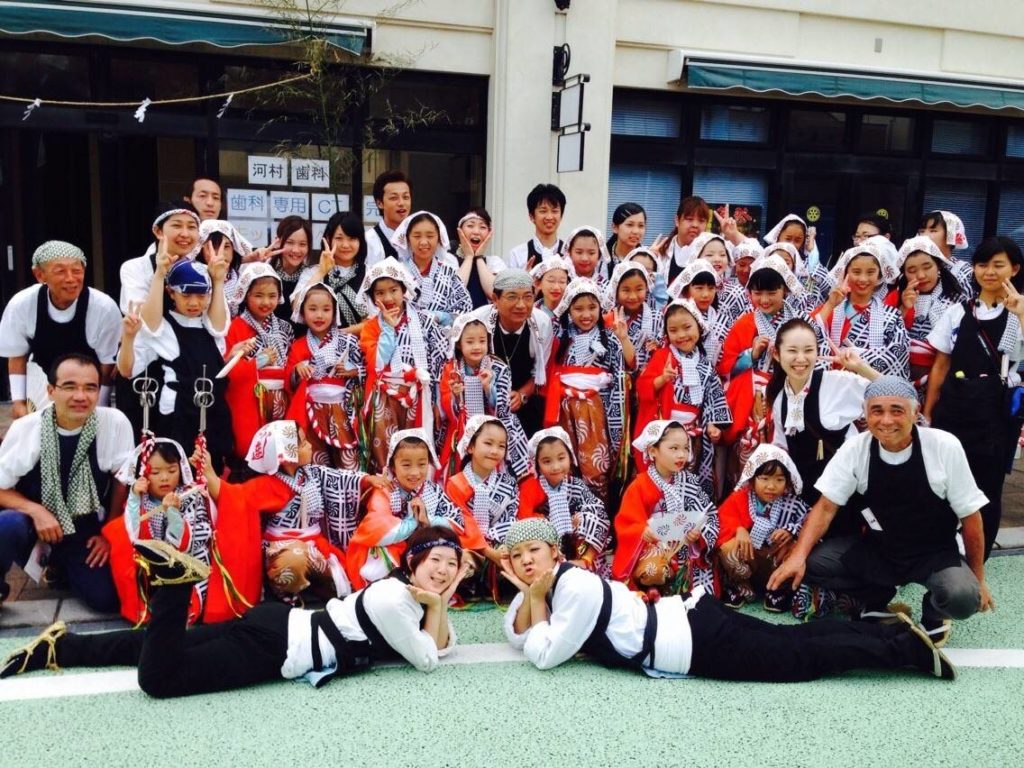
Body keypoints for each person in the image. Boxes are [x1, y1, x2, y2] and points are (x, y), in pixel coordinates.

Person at [1, 525, 470, 695]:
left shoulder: (405, 595)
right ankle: (174, 588)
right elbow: (428, 658)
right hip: (277, 646)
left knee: (156, 645)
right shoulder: (394, 600)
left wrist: (438, 600)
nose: (444, 571)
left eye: (452, 565)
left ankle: (60, 647)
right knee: (160, 679)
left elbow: (441, 641)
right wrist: (441, 600)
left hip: (278, 624)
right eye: (436, 562)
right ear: (413, 562)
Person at [501, 518, 956, 681]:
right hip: (691, 621)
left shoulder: (574, 588)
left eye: (533, 551)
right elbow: (519, 635)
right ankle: (881, 631)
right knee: (791, 642)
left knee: (796, 660)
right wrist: (530, 596)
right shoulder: (558, 587)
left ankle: (907, 651)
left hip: (691, 638)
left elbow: (543, 655)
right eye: (517, 556)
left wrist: (534, 599)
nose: (525, 561)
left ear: (555, 552)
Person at [769, 376, 993, 648]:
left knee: (964, 598)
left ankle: (934, 615)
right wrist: (797, 556)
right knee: (813, 564)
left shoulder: (944, 446)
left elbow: (971, 517)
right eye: (877, 411)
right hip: (880, 550)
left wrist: (979, 579)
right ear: (865, 415)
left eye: (897, 411)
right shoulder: (855, 448)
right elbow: (825, 508)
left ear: (916, 413)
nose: (886, 420)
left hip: (934, 552)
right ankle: (875, 599)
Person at [0, 354, 133, 612]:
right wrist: (36, 511)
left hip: (84, 529)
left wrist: (109, 533)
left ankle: (62, 567)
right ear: (51, 391)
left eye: (90, 388)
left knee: (107, 600)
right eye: (70, 387)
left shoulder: (114, 423)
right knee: (8, 525)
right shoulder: (27, 428)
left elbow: (122, 481)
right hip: (35, 527)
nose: (80, 396)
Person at [924, 235, 1024, 558]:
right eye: (982, 265)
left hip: (994, 415)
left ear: (1015, 269)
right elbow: (941, 365)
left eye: (998, 265)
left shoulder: (1020, 312)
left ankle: (978, 557)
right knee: (942, 483)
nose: (989, 272)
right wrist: (928, 411)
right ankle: (940, 552)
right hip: (953, 409)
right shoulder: (958, 312)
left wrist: (1021, 314)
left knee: (987, 488)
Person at [117, 249, 234, 474]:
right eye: (186, 295)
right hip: (176, 418)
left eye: (201, 295)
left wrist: (218, 281)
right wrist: (129, 337)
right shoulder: (160, 328)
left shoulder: (211, 326)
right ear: (170, 292)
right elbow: (127, 370)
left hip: (212, 415)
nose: (194, 303)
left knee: (210, 477)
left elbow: (219, 328)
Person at [766, 318, 879, 517]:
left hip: (847, 498)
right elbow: (782, 450)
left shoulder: (836, 383)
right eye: (792, 351)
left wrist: (861, 367)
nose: (801, 359)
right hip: (808, 506)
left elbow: (899, 395)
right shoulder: (780, 401)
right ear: (776, 353)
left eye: (808, 350)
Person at [346, 430, 482, 590]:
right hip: (394, 549)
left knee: (459, 556)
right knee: (381, 560)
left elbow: (457, 523)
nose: (415, 472)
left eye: (422, 464)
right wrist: (413, 521)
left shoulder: (432, 490)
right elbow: (378, 531)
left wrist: (428, 520)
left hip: (424, 549)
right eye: (406, 465)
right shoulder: (385, 490)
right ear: (393, 466)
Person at [0, 241, 121, 418]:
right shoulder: (22, 304)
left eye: (76, 270)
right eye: (60, 271)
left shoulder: (104, 308)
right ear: (40, 275)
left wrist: (99, 407)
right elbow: (16, 355)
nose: (70, 278)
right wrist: (18, 402)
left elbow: (107, 366)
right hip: (43, 389)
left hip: (86, 391)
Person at [104, 438, 212, 625]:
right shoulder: (141, 499)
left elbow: (196, 537)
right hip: (151, 566)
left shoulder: (192, 496)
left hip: (184, 563)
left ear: (181, 469)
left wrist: (174, 514)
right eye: (155, 472)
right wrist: (134, 496)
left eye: (172, 470)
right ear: (144, 473)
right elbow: (132, 533)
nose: (164, 478)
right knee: (120, 541)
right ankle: (141, 608)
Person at [356, 258, 448, 472]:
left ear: (404, 289)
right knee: (384, 450)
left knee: (416, 447)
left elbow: (439, 362)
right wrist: (388, 329)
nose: (388, 298)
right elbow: (377, 363)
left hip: (419, 394)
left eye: (393, 290)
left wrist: (437, 400)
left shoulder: (424, 321)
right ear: (372, 297)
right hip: (384, 396)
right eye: (380, 293)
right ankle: (385, 487)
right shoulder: (371, 327)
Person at [635, 299, 730, 497]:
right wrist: (662, 379)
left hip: (693, 434)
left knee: (688, 479)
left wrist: (712, 424)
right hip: (666, 432)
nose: (681, 335)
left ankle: (686, 512)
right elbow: (642, 388)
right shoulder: (662, 356)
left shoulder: (705, 364)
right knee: (663, 477)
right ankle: (660, 510)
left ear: (699, 327)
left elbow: (713, 396)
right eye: (673, 330)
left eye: (687, 327)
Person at [613, 420, 718, 596]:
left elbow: (710, 515)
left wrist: (698, 535)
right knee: (653, 570)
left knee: (702, 593)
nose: (682, 455)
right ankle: (651, 590)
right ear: (653, 451)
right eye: (674, 448)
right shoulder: (639, 486)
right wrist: (643, 531)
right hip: (653, 551)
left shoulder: (691, 482)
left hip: (684, 552)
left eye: (686, 448)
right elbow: (626, 523)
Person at [544, 277, 627, 501]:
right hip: (564, 408)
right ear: (568, 310)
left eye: (592, 307)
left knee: (595, 465)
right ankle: (568, 509)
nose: (586, 314)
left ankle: (598, 513)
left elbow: (622, 372)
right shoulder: (559, 336)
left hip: (596, 409)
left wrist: (616, 421)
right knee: (565, 463)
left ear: (600, 308)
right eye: (578, 309)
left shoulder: (610, 338)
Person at [717, 255, 805, 452]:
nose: (764, 300)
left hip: (789, 391)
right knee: (749, 449)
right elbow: (726, 368)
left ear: (785, 289)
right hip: (752, 397)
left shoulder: (800, 322)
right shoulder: (744, 323)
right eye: (757, 293)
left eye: (772, 293)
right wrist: (752, 354)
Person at [716, 445, 808, 611]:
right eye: (764, 478)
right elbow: (720, 519)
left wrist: (791, 532)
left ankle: (778, 589)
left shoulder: (794, 504)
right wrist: (738, 529)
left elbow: (809, 524)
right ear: (752, 479)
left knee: (796, 550)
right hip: (748, 559)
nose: (771, 486)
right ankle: (740, 585)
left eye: (779, 480)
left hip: (775, 560)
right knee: (729, 547)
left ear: (788, 482)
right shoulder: (740, 498)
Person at [438, 314, 530, 481]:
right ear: (458, 343)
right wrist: (455, 395)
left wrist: (489, 389)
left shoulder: (499, 367)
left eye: (482, 341)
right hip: (462, 427)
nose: (477, 347)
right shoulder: (451, 369)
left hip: (493, 427)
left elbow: (504, 408)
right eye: (470, 342)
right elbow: (446, 407)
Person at [285, 282, 366, 470]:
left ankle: (350, 489)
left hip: (342, 410)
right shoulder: (298, 345)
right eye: (312, 309)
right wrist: (297, 370)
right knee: (315, 462)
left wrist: (354, 371)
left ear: (334, 312)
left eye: (326, 309)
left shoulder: (349, 342)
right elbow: (288, 380)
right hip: (311, 409)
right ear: (302, 312)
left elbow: (368, 369)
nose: (319, 315)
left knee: (348, 462)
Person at [467, 268, 554, 436]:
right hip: (482, 399)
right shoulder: (478, 321)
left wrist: (522, 395)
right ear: (495, 299)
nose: (521, 305)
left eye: (527, 297)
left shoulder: (542, 323)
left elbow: (539, 371)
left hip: (525, 401)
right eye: (512, 297)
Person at [223, 263, 295, 462]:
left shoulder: (286, 328)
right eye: (258, 295)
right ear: (246, 295)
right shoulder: (235, 327)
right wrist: (258, 362)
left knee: (282, 454)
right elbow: (227, 370)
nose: (266, 302)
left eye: (272, 296)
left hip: (282, 399)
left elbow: (290, 364)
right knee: (251, 452)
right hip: (251, 400)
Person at [517, 427, 609, 572]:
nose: (555, 467)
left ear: (570, 457)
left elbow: (596, 507)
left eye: (561, 458)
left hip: (574, 537)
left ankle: (585, 560)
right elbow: (524, 517)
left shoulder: (575, 483)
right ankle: (552, 564)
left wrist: (579, 518)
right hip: (547, 537)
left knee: (595, 515)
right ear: (537, 464)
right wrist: (547, 522)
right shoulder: (531, 485)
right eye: (547, 461)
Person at [814, 241, 909, 379]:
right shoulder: (830, 308)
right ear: (845, 273)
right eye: (856, 272)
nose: (863, 279)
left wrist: (855, 359)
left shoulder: (891, 315)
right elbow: (808, 339)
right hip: (832, 382)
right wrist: (829, 304)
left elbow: (897, 354)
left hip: (870, 385)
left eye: (871, 272)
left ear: (879, 275)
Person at [885, 235, 968, 395]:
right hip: (898, 376)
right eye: (912, 270)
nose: (921, 275)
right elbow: (883, 338)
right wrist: (904, 309)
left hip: (943, 375)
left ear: (939, 265)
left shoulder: (958, 300)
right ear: (904, 273)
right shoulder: (896, 296)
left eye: (927, 267)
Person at [445, 415, 520, 578]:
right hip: (467, 546)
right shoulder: (455, 484)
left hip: (500, 543)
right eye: (488, 443)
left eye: (501, 446)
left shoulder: (508, 483)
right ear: (470, 446)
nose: (495, 451)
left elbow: (510, 518)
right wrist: (488, 551)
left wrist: (500, 547)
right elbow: (462, 523)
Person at [392, 210, 471, 328]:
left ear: (439, 239)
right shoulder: (396, 273)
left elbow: (463, 310)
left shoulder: (449, 274)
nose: (424, 242)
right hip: (403, 336)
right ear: (407, 239)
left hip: (443, 337)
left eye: (430, 236)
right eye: (417, 236)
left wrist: (440, 316)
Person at [295, 211, 368, 334]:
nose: (345, 245)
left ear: (360, 241)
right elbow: (297, 308)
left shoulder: (371, 274)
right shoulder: (312, 272)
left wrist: (341, 335)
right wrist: (321, 272)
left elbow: (378, 320)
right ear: (328, 239)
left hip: (362, 344)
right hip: (319, 343)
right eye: (339, 238)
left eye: (352, 239)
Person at [119, 203, 201, 314]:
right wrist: (159, 274)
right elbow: (139, 316)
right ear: (158, 231)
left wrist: (217, 282)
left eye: (191, 227)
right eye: (177, 226)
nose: (185, 234)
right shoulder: (135, 268)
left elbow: (215, 323)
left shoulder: (202, 270)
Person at [504, 184, 567, 271]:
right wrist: (524, 278)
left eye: (554, 211)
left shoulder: (570, 254)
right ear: (531, 216)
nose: (549, 217)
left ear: (561, 216)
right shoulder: (517, 255)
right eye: (543, 211)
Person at [265, 216, 313, 328]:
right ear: (278, 242)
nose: (296, 250)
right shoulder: (265, 270)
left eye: (302, 244)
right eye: (290, 242)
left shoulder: (310, 276)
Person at [452, 207, 502, 307]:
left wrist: (479, 257)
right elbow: (454, 293)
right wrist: (469, 257)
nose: (476, 232)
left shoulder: (494, 262)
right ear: (460, 231)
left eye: (482, 227)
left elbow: (494, 294)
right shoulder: (448, 260)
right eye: (470, 226)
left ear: (489, 233)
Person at [917, 210, 974, 295]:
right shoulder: (911, 267)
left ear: (950, 235)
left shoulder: (964, 272)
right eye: (922, 231)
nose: (924, 235)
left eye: (933, 231)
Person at [365, 170, 411, 268]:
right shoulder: (368, 242)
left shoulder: (418, 239)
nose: (401, 203)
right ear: (379, 203)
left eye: (406, 197)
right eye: (394, 198)